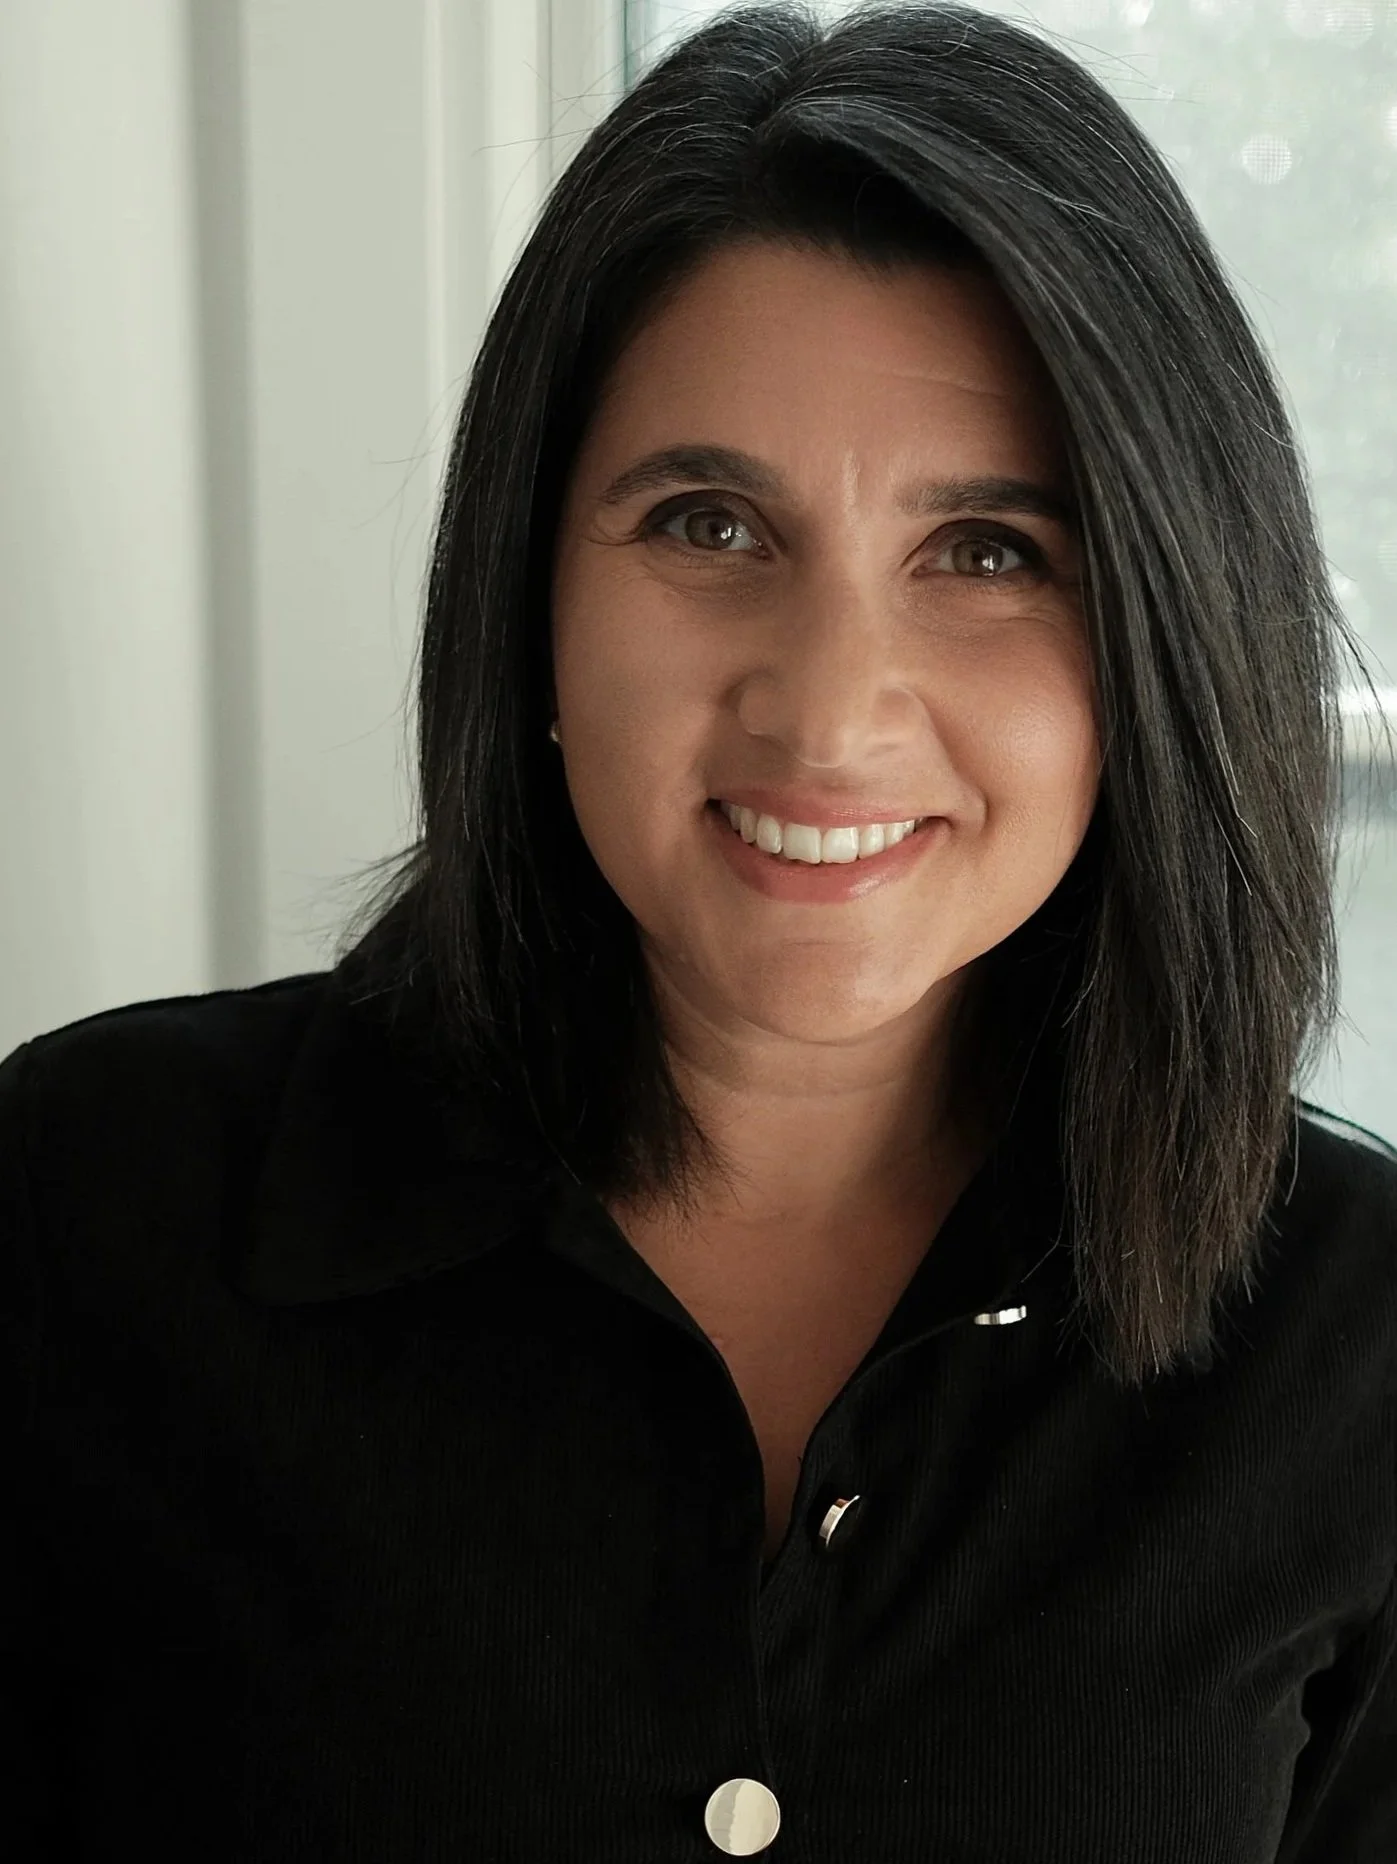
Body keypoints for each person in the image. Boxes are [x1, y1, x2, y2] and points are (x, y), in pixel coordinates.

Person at [2, 1, 1394, 1857]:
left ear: (1159, 640)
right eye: (709, 524)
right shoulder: (87, 1217)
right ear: (533, 605)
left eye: (989, 552)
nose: (829, 714)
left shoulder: (1356, 1341)